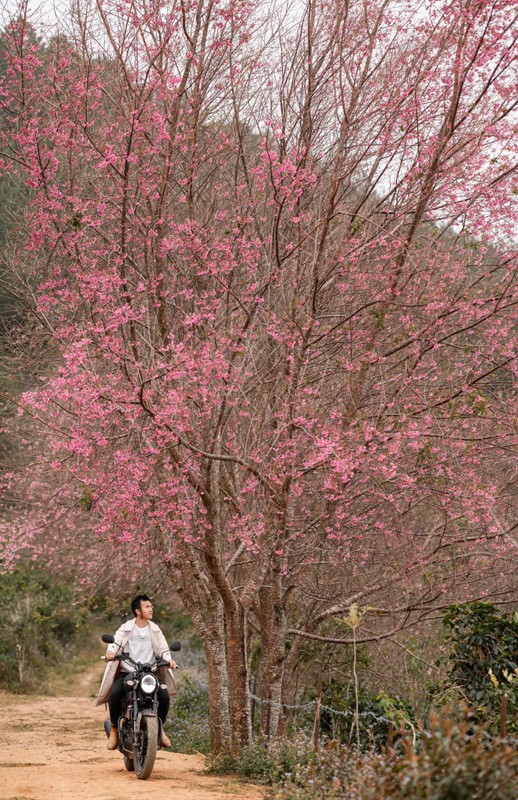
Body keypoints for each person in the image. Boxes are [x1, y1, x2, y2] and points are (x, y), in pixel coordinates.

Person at [96, 594, 178, 750]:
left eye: (151, 606)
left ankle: (160, 729)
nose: (151, 609)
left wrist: (169, 660)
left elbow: (163, 647)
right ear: (138, 611)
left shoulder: (155, 629)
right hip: (128, 672)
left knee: (164, 696)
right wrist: (110, 653)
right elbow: (116, 641)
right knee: (114, 694)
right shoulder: (126, 628)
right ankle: (114, 729)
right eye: (147, 606)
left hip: (149, 673)